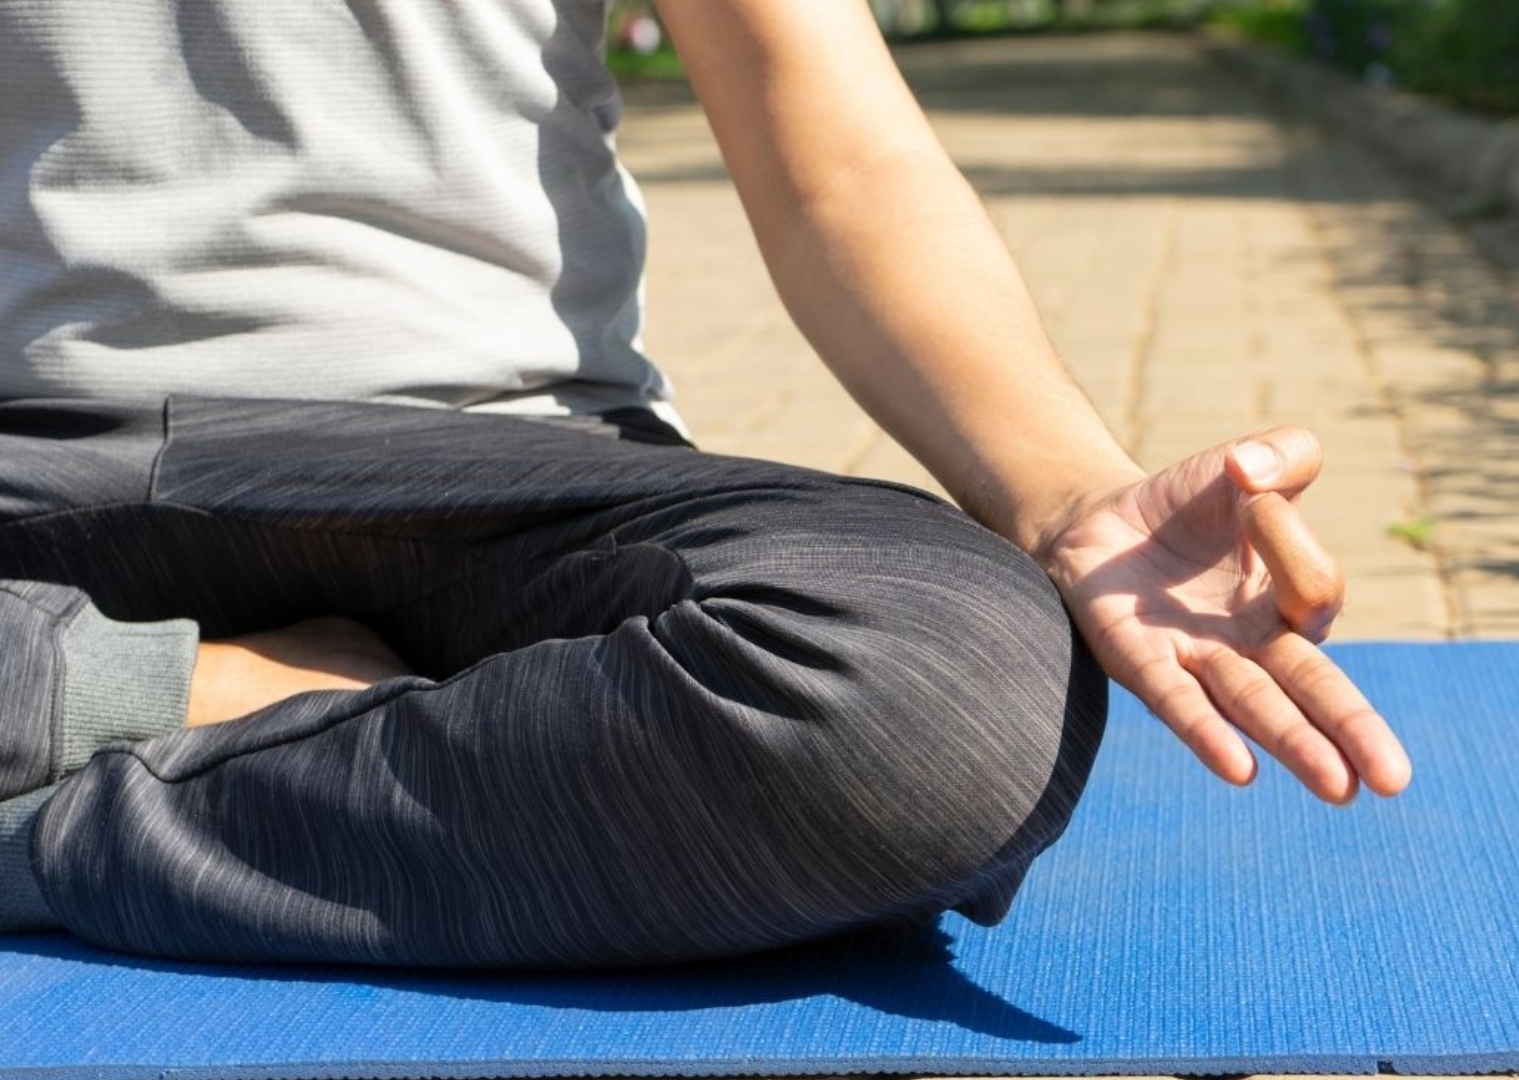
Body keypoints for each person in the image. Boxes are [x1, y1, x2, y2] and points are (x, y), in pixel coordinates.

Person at [0, 0, 1412, 970]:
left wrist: (1065, 496)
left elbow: (840, 160)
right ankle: (172, 709)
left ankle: (45, 775)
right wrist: (160, 685)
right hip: (34, 470)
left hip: (507, 470)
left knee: (963, 679)